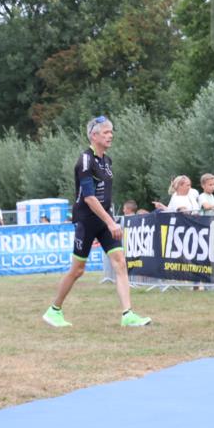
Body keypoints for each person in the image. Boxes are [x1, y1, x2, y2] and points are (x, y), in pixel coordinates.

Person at [42, 116, 151, 328]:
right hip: (86, 220)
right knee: (78, 270)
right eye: (106, 132)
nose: (110, 135)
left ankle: (127, 314)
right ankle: (54, 310)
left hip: (104, 219)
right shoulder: (85, 160)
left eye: (111, 131)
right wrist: (111, 222)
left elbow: (104, 195)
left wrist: (109, 220)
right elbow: (89, 198)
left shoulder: (107, 161)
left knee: (120, 262)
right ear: (94, 135)